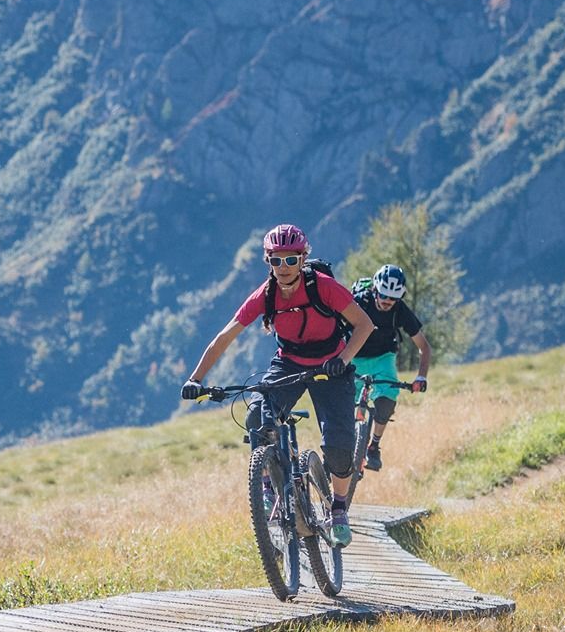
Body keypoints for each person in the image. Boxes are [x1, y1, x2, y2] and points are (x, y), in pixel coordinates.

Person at [182, 223, 374, 546]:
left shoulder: (324, 287)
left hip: (331, 363)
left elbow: (364, 325)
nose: (283, 267)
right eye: (276, 260)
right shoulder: (266, 295)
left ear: (303, 259)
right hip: (289, 362)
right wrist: (195, 379)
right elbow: (225, 337)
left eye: (290, 260)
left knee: (338, 448)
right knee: (257, 415)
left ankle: (339, 509)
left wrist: (343, 359)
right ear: (268, 261)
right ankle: (270, 483)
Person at [348, 264, 430, 472]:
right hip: (353, 355)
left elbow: (424, 347)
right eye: (383, 295)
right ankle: (341, 448)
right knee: (343, 406)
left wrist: (421, 377)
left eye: (393, 298)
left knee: (386, 402)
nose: (387, 301)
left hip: (383, 358)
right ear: (375, 289)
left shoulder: (400, 311)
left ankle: (374, 446)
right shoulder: (359, 302)